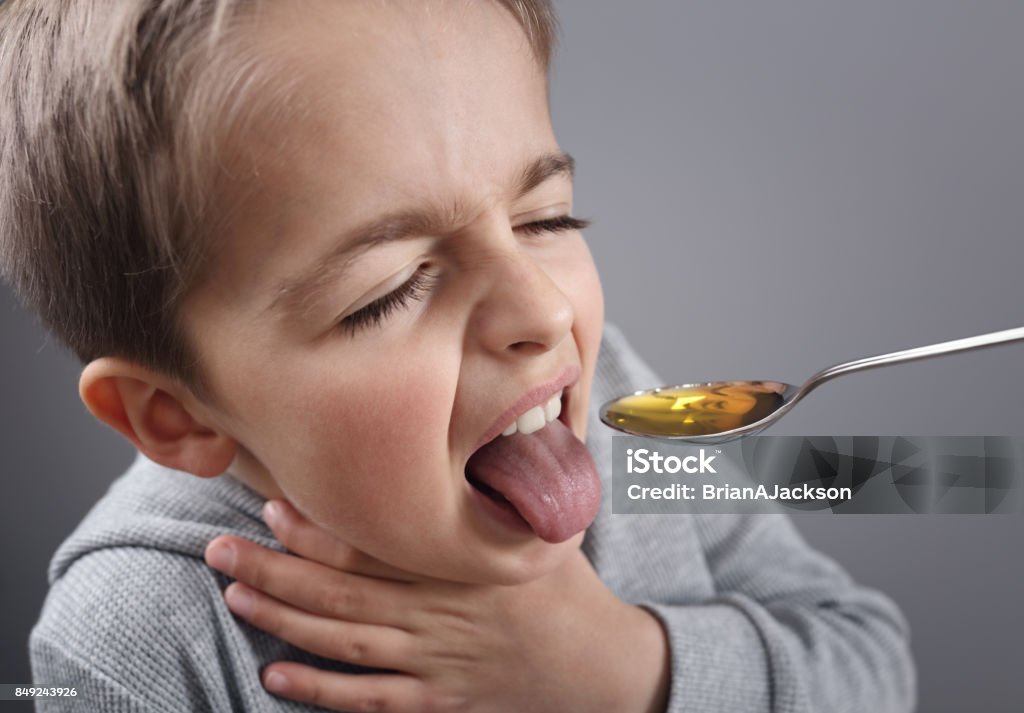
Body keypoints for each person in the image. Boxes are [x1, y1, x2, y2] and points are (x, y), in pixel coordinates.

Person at [1, 0, 914, 710]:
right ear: (178, 413)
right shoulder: (127, 643)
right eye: (392, 287)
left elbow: (872, 667)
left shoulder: (626, 406)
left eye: (545, 218)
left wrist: (622, 674)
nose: (541, 309)